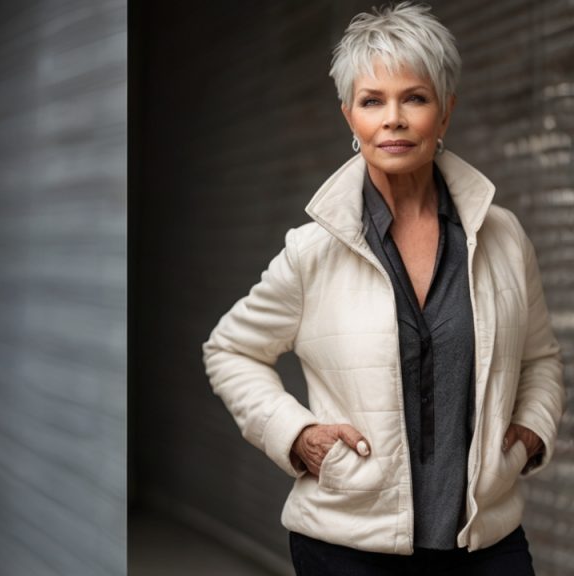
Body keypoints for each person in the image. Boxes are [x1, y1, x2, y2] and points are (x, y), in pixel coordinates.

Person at [202, 4, 564, 575]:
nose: (393, 119)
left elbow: (540, 357)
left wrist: (528, 435)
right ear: (350, 116)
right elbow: (229, 349)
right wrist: (297, 435)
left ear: (445, 113)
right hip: (347, 547)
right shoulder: (313, 249)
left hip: (486, 542)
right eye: (373, 101)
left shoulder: (501, 236)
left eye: (414, 99)